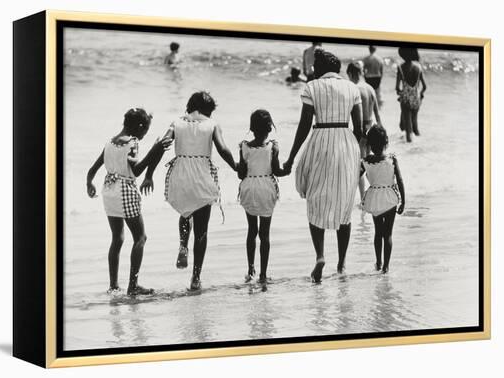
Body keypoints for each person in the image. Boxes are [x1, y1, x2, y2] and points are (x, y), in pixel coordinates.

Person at [283, 50, 363, 283]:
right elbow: (358, 129)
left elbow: (304, 125)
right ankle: (342, 264)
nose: (312, 70)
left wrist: (290, 158)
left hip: (320, 140)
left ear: (320, 68)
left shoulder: (312, 87)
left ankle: (320, 256)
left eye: (315, 66)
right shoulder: (352, 88)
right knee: (344, 204)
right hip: (346, 143)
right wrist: (355, 155)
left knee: (315, 199)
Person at [154, 91, 239, 290]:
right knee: (202, 230)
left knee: (186, 210)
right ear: (208, 111)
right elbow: (222, 149)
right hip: (201, 176)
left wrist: (149, 172)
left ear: (190, 106)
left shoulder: (176, 122)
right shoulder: (212, 124)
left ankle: (183, 244)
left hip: (180, 174)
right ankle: (195, 277)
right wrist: (236, 166)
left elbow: (163, 144)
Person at [86, 108, 172, 296]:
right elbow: (137, 170)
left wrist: (89, 183)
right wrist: (155, 149)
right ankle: (133, 286)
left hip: (108, 190)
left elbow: (92, 169)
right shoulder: (132, 143)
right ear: (139, 127)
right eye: (145, 130)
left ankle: (113, 285)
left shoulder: (110, 142)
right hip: (125, 190)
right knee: (140, 237)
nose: (143, 135)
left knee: (117, 239)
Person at [237, 110, 288, 286]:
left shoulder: (244, 146)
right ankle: (263, 275)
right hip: (266, 187)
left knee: (252, 230)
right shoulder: (273, 147)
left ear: (251, 128)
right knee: (264, 234)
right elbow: (277, 171)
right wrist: (288, 168)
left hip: (249, 187)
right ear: (269, 128)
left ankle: (250, 269)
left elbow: (241, 174)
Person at [360, 125, 405, 273]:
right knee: (388, 234)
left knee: (378, 233)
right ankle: (386, 266)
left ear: (370, 145)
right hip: (390, 199)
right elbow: (399, 180)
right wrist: (403, 201)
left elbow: (354, 178)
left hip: (374, 199)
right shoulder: (392, 160)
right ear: (386, 142)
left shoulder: (366, 161)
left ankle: (378, 262)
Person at [346, 61, 382, 200]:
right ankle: (376, 192)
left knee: (359, 166)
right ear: (362, 72)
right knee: (369, 164)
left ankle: (362, 199)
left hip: (361, 131)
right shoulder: (370, 88)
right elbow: (378, 115)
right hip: (371, 129)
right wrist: (381, 133)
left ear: (350, 74)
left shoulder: (354, 89)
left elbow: (353, 115)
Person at [396, 47, 427, 142]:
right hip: (416, 99)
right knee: (415, 126)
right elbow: (425, 86)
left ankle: (410, 151)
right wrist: (420, 94)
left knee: (408, 130)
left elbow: (397, 88)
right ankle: (420, 146)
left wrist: (401, 93)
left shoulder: (401, 68)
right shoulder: (418, 67)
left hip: (405, 100)